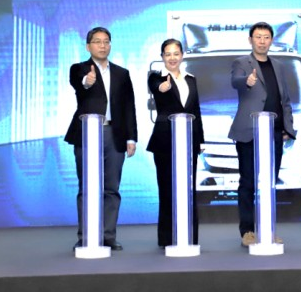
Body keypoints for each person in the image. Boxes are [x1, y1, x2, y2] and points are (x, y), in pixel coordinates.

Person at [65, 27, 138, 251]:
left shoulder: (122, 73)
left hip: (114, 134)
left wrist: (131, 137)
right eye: (97, 41)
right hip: (87, 133)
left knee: (111, 188)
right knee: (87, 187)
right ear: (88, 46)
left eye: (106, 41)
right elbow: (79, 84)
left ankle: (108, 235)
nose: (102, 45)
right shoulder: (79, 69)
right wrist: (87, 81)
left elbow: (129, 107)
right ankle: (86, 236)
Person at [228, 22, 297, 247]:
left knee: (270, 184)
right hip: (249, 132)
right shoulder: (241, 63)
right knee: (247, 182)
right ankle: (248, 231)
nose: (262, 41)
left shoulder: (279, 65)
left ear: (271, 40)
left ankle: (267, 229)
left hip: (274, 133)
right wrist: (246, 81)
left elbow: (284, 99)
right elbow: (235, 81)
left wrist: (288, 128)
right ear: (250, 40)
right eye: (258, 37)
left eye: (266, 37)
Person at [147, 39, 204, 249]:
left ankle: (190, 237)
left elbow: (196, 111)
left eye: (176, 53)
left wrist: (200, 140)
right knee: (167, 189)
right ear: (162, 56)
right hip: (164, 139)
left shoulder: (191, 79)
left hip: (189, 140)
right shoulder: (155, 77)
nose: (172, 58)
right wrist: (162, 87)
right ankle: (167, 238)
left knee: (189, 189)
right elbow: (156, 87)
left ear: (182, 55)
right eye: (168, 54)